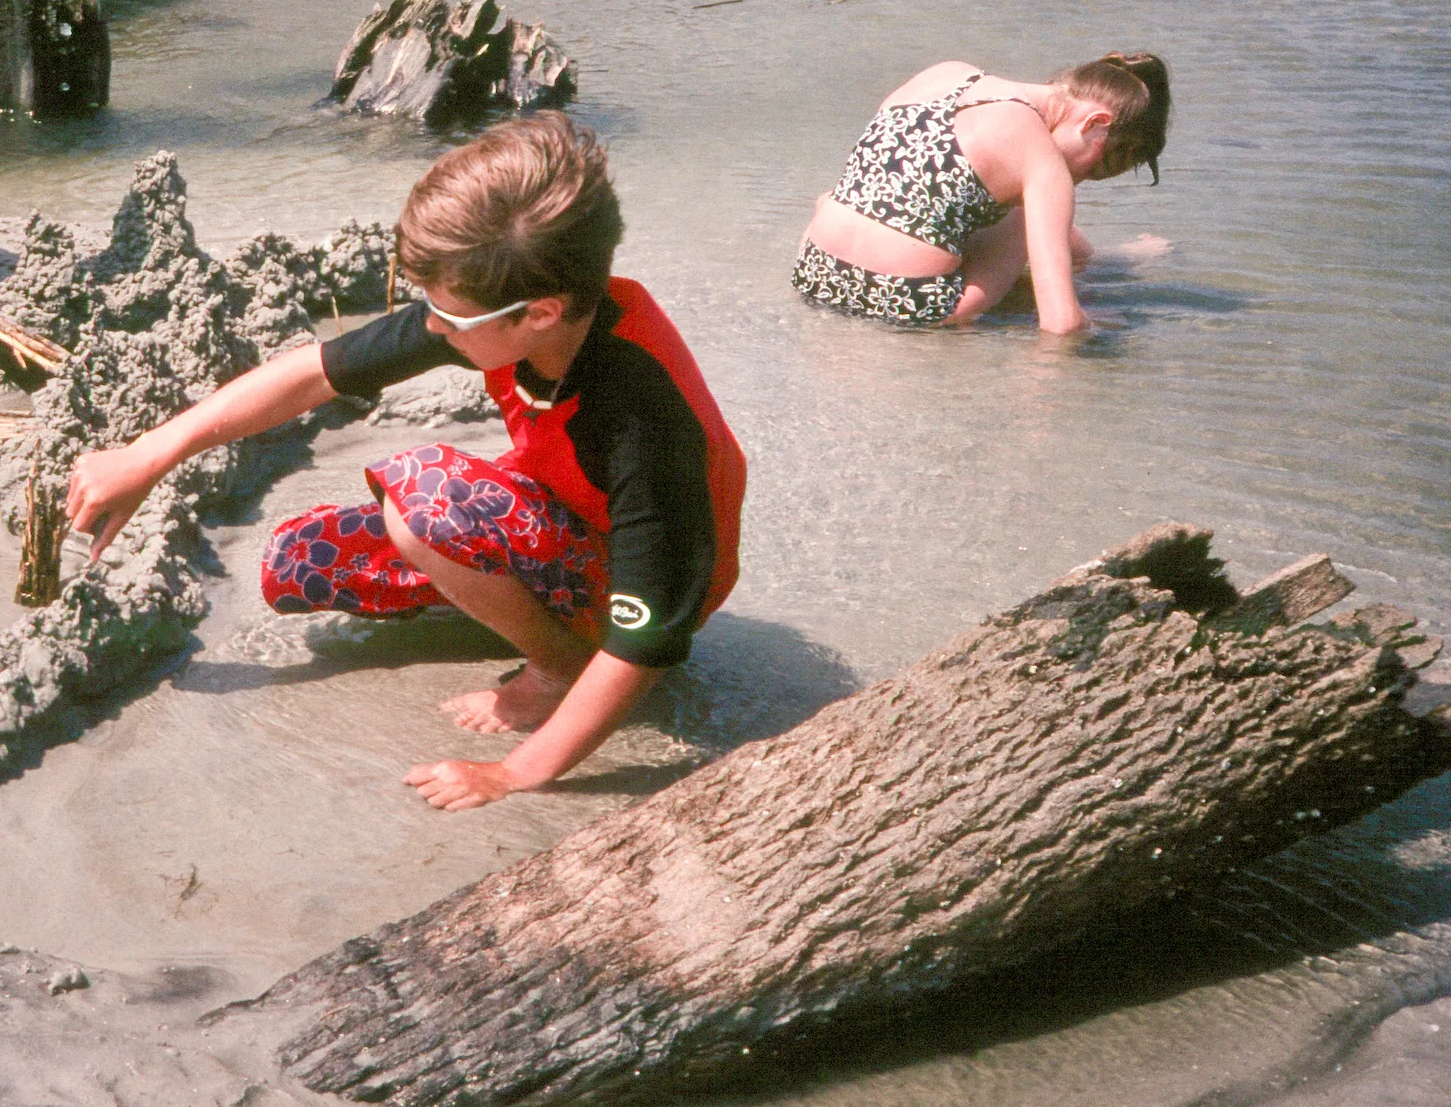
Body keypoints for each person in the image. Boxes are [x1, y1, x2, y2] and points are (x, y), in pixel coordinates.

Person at [65, 114, 747, 812]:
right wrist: (148, 455)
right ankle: (536, 621)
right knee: (302, 560)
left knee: (424, 495)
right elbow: (315, 374)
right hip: (566, 521)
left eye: (449, 317)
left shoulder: (642, 415)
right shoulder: (498, 313)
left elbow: (648, 640)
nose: (432, 327)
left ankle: (561, 665)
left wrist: (513, 773)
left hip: (649, 585)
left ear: (540, 313)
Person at [792, 54, 1171, 334]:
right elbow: (1060, 324)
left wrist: (1089, 256)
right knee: (1025, 217)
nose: (1078, 180)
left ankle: (1103, 259)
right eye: (1092, 169)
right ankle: (1102, 264)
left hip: (812, 273)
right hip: (902, 303)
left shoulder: (946, 74)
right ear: (1094, 122)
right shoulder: (1041, 158)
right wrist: (1102, 325)